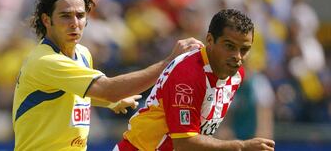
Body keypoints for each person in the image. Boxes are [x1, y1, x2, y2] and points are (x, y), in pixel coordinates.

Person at [11, 0, 203, 151]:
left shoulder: (82, 54)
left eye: (80, 15)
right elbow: (109, 89)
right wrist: (168, 63)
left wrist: (109, 102)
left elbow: (72, 92)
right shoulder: (46, 61)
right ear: (47, 20)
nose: (74, 23)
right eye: (65, 16)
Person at [113, 9, 276, 151]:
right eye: (229, 46)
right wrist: (240, 147)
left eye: (244, 49)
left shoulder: (236, 73)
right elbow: (184, 143)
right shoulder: (188, 73)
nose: (237, 57)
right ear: (210, 40)